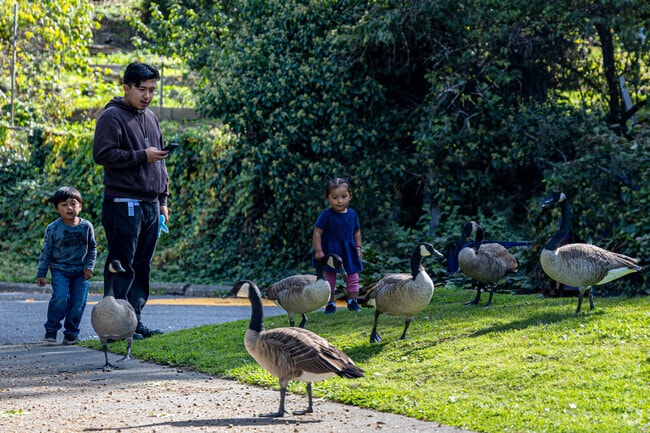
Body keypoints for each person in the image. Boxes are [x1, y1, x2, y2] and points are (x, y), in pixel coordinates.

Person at [93, 61, 171, 339]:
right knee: (121, 264)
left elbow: (159, 163)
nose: (147, 95)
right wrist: (142, 155)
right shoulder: (112, 116)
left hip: (151, 206)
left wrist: (163, 199)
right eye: (142, 89)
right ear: (126, 87)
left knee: (141, 267)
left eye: (152, 90)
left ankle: (134, 322)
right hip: (123, 204)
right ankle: (114, 327)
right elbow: (102, 154)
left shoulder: (151, 117)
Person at [37, 186, 97, 344]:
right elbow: (46, 252)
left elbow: (92, 248)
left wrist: (89, 266)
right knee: (60, 298)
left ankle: (71, 333)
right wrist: (41, 273)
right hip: (60, 270)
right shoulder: (53, 228)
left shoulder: (86, 227)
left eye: (73, 203)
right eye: (64, 204)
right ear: (57, 208)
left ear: (80, 206)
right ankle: (51, 330)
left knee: (78, 302)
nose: (69, 207)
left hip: (81, 272)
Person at [312, 177, 363, 313]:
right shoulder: (326, 215)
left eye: (343, 197)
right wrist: (318, 250)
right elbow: (317, 232)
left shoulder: (352, 214)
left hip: (348, 251)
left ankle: (353, 302)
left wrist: (358, 247)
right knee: (329, 280)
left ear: (350, 196)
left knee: (352, 278)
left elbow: (357, 231)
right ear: (328, 198)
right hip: (330, 252)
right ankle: (330, 304)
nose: (339, 201)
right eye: (335, 197)